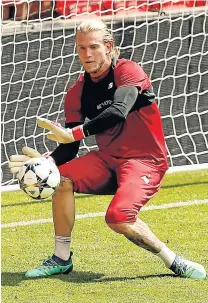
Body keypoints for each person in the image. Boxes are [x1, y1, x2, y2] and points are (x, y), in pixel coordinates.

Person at [9, 19, 206, 280]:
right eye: (81, 48)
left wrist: (74, 133)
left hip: (145, 162)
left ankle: (173, 261)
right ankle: (61, 258)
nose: (87, 55)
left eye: (93, 47)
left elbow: (118, 111)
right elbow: (70, 147)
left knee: (118, 217)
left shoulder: (128, 71)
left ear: (108, 46)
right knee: (61, 181)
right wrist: (45, 164)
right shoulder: (76, 93)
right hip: (107, 160)